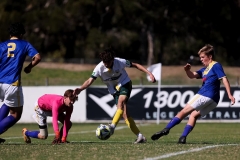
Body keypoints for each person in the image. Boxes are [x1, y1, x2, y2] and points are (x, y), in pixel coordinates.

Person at [151, 44, 235, 144]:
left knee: (182, 112)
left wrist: (229, 94)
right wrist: (187, 71)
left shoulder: (216, 65)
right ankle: (183, 137)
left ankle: (166, 129)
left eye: (203, 57)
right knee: (193, 115)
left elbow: (224, 79)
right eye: (200, 57)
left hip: (205, 94)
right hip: (214, 100)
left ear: (210, 56)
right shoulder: (205, 69)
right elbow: (192, 75)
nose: (201, 59)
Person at [74, 47, 156, 143]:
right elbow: (89, 80)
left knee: (121, 102)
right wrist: (80, 89)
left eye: (108, 62)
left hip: (125, 83)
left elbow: (135, 65)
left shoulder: (119, 62)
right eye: (104, 63)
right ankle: (140, 136)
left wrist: (149, 73)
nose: (106, 65)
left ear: (112, 60)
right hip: (114, 90)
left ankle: (112, 127)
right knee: (125, 114)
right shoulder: (99, 68)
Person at [0, 22, 41, 143]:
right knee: (15, 115)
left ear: (10, 33)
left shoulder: (2, 45)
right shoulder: (24, 44)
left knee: (7, 104)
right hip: (12, 83)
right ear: (22, 34)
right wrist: (29, 67)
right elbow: (37, 57)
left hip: (0, 82)